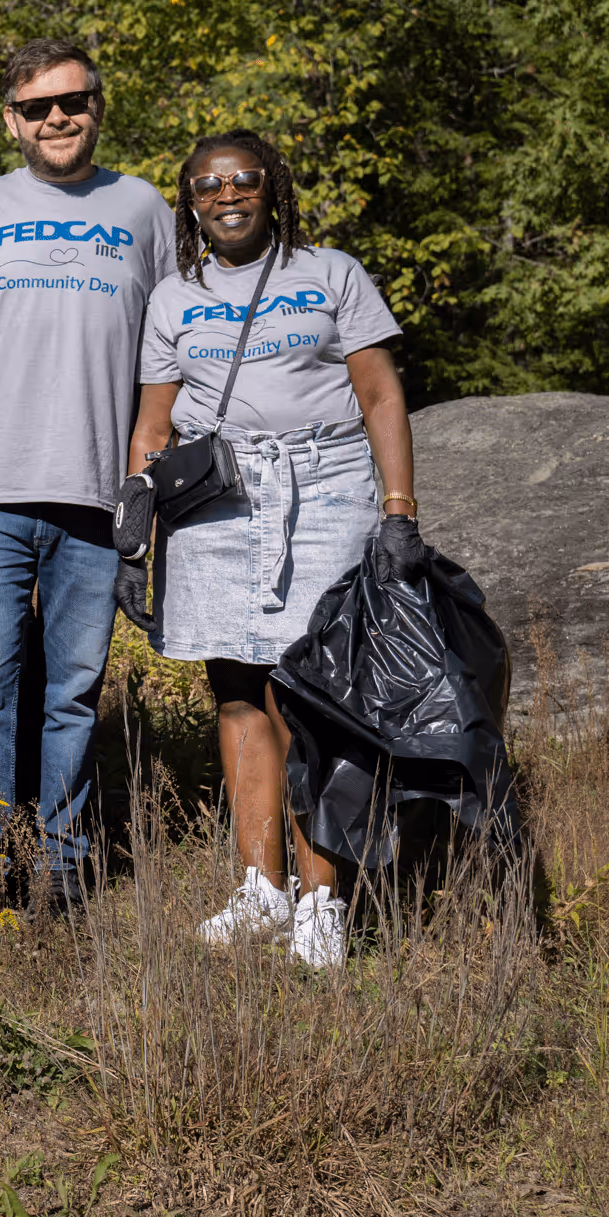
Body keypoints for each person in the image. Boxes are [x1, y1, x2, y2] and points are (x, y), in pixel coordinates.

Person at [125, 133, 417, 968]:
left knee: (313, 697)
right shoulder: (175, 297)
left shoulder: (331, 274)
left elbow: (379, 392)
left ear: (272, 185)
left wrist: (398, 510)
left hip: (323, 485)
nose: (227, 194)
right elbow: (154, 423)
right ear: (189, 201)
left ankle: (325, 900)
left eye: (243, 178)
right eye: (207, 184)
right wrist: (132, 532)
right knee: (237, 692)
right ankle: (262, 890)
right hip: (213, 498)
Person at [0, 39, 174, 905]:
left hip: (99, 501)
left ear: (98, 106)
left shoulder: (144, 207)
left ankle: (67, 868)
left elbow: (174, 351)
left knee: (73, 694)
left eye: (71, 101)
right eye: (36, 108)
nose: (57, 118)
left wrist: (155, 481)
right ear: (12, 122)